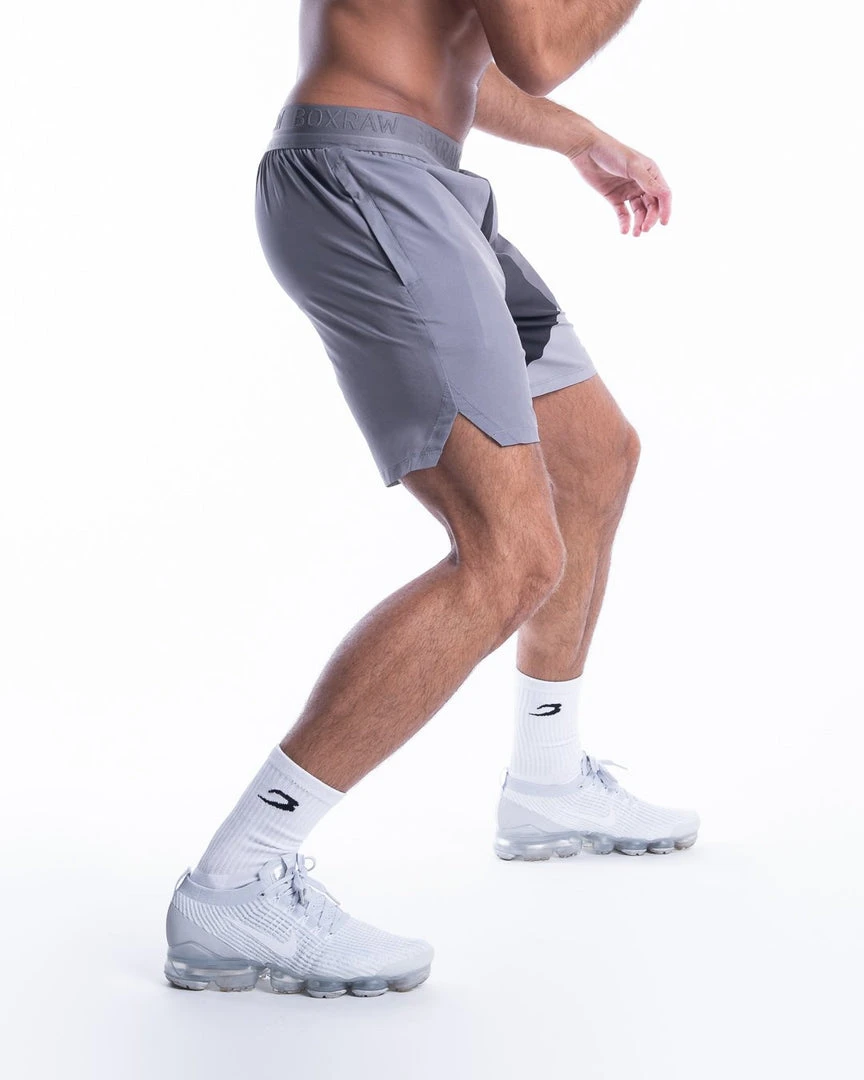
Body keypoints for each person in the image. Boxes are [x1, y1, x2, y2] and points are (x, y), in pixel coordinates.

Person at [164, 0, 698, 999]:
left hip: (420, 178)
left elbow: (465, 61)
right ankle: (235, 881)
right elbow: (538, 52)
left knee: (594, 456)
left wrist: (584, 138)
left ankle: (547, 778)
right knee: (512, 557)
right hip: (369, 179)